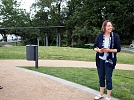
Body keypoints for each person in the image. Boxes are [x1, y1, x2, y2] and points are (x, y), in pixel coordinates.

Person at [93, 20, 121, 100]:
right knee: (101, 77)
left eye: (111, 26)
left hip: (110, 60)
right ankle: (101, 94)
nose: (110, 27)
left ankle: (108, 96)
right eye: (108, 26)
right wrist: (99, 50)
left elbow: (118, 49)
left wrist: (109, 50)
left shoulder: (115, 36)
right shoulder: (99, 36)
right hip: (100, 60)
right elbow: (94, 47)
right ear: (104, 27)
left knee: (108, 78)